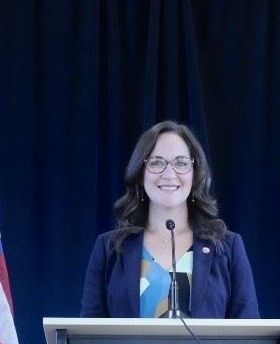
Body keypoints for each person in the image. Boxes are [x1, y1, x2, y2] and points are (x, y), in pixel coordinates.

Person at [80, 120, 259, 318]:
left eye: (181, 163)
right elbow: (89, 337)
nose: (169, 174)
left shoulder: (228, 247)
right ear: (140, 173)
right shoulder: (109, 249)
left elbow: (249, 333)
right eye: (157, 162)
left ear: (195, 173)